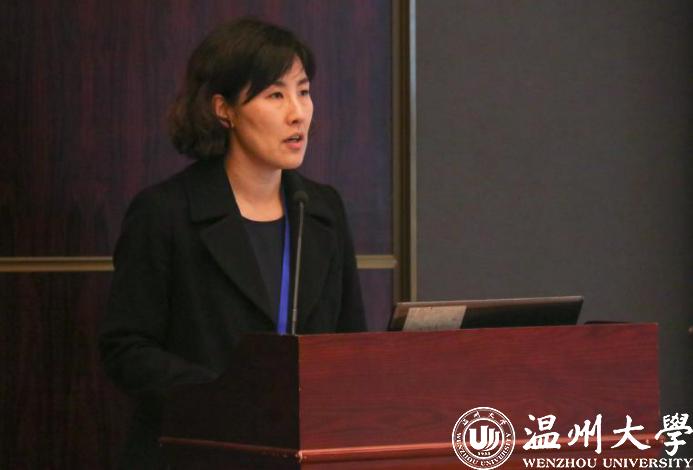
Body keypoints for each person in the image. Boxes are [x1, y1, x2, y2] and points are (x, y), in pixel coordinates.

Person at [99, 18, 366, 469]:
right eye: (275, 95)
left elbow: (350, 342)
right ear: (224, 110)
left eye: (303, 91)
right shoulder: (165, 212)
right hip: (198, 452)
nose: (298, 113)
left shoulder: (321, 209)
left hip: (305, 454)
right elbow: (126, 349)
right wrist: (225, 395)